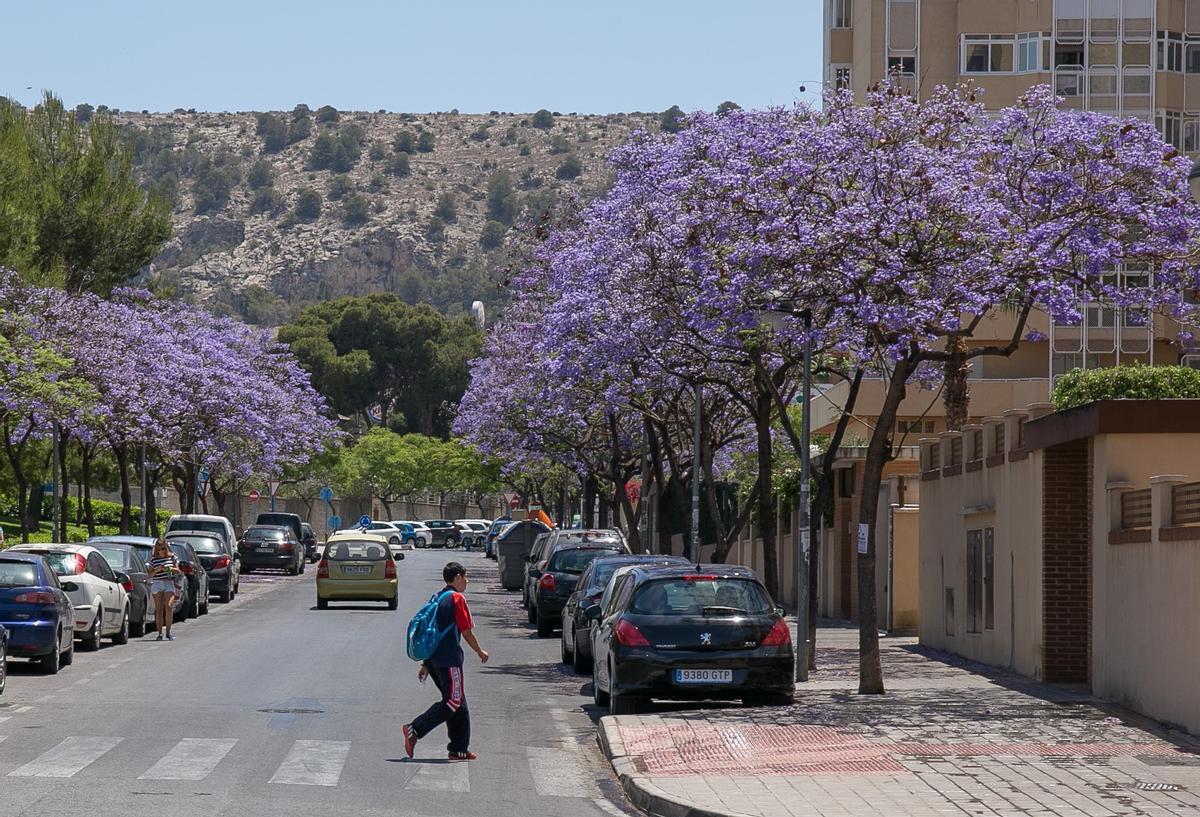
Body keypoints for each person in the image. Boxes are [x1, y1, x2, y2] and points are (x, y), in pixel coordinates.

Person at [402, 561, 489, 761]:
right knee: (453, 701)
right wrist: (479, 651)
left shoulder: (439, 597)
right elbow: (466, 632)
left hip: (434, 659)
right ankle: (414, 729)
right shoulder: (457, 599)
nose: (466, 581)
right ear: (457, 577)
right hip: (449, 660)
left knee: (459, 703)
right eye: (465, 577)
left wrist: (426, 663)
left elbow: (434, 632)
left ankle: (458, 749)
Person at [147, 538, 180, 641]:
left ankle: (168, 632)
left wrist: (168, 569)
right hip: (157, 583)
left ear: (166, 548)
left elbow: (178, 570)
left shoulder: (172, 557)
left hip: (169, 583)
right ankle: (160, 633)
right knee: (159, 609)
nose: (161, 551)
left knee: (169, 606)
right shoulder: (154, 560)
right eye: (159, 549)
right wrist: (158, 569)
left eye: (163, 549)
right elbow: (150, 575)